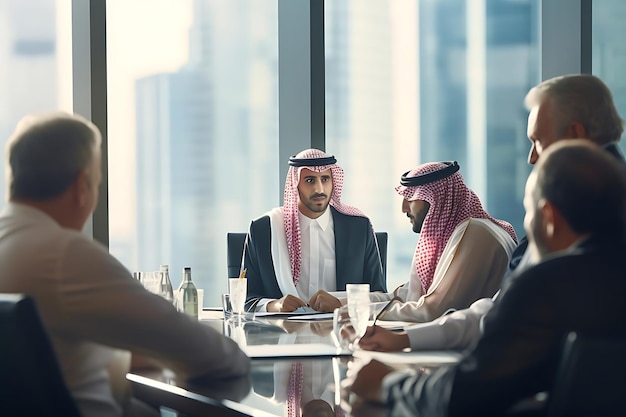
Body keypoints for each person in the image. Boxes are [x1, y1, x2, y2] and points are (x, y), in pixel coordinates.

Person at [350, 139, 626, 416]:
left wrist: (389, 383)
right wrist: (404, 338)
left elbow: (467, 392)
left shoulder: (545, 285)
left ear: (549, 217)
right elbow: (486, 314)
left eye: (529, 214)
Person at [0, 112, 250, 417]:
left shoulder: (14, 243)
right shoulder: (65, 256)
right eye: (98, 183)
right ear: (83, 187)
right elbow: (216, 357)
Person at [358, 73, 626, 352]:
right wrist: (404, 339)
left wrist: (397, 382)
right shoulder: (588, 198)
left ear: (575, 134)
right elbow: (498, 310)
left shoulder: (581, 207)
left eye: (537, 140)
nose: (531, 158)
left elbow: (506, 321)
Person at [368, 161, 517, 322]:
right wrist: (344, 304)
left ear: (435, 198)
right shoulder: (461, 232)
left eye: (411, 198)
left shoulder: (475, 233)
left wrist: (362, 312)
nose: (404, 209)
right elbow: (406, 296)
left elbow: (434, 310)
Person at [243, 148, 386, 313]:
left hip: (342, 332)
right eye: (310, 181)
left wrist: (343, 303)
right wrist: (275, 305)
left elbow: (380, 295)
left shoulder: (359, 229)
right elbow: (243, 298)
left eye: (325, 179)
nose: (319, 189)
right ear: (295, 184)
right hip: (281, 334)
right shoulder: (264, 230)